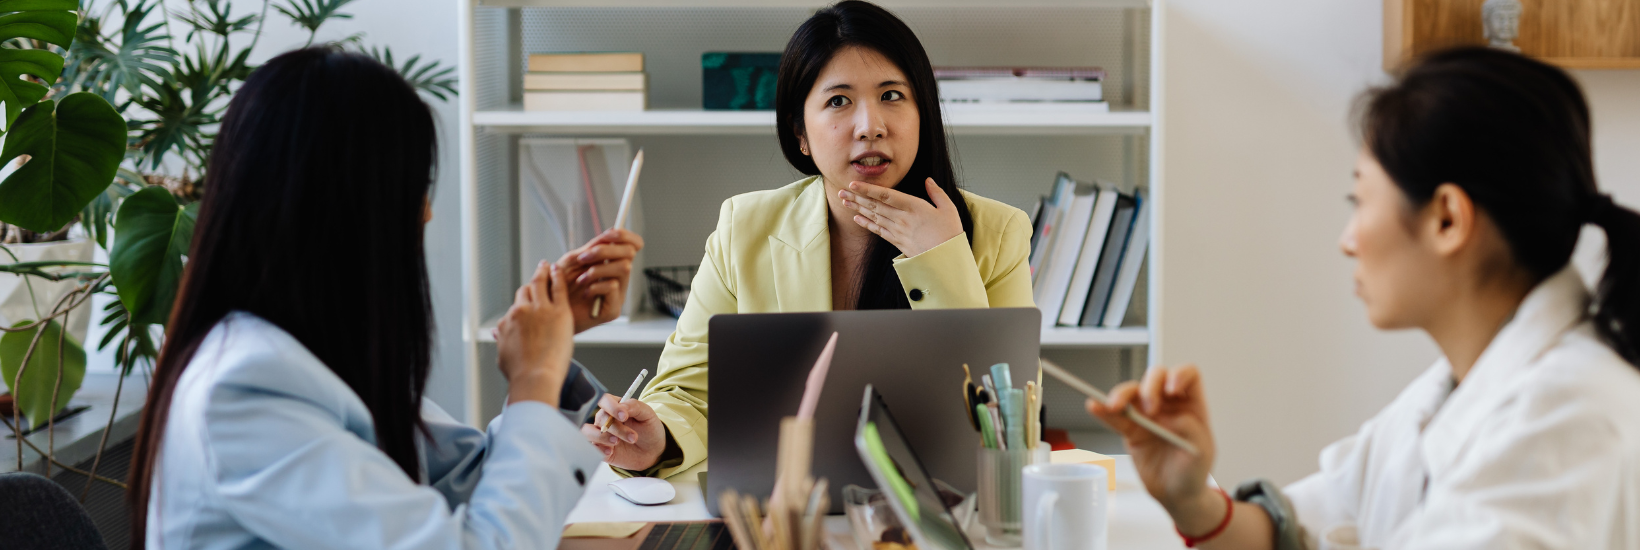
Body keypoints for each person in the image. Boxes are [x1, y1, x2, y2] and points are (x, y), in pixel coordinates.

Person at [1087, 47, 1640, 549]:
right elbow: (1294, 532)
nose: (1346, 240)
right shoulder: (1452, 390)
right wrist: (1193, 501)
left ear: (1447, 218)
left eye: (1360, 200)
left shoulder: (1566, 418)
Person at [127, 47, 642, 549]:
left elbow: (466, 479)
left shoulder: (307, 352)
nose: (425, 213)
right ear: (340, 206)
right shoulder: (246, 386)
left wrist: (551, 344)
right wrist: (533, 378)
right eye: (410, 187)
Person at [584, 0, 1036, 477]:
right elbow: (690, 391)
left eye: (892, 95)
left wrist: (943, 261)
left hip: (942, 509)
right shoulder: (745, 226)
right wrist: (659, 439)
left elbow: (1012, 426)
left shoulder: (996, 232)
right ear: (800, 132)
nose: (871, 127)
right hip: (786, 509)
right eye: (839, 101)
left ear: (923, 112)